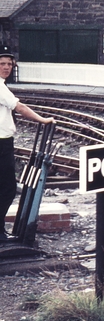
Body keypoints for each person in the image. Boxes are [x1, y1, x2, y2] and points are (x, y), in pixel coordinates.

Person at [0, 46, 56, 238]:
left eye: (9, 64)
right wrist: (43, 120)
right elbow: (19, 107)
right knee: (7, 188)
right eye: (2, 64)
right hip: (1, 143)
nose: (6, 67)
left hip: (4, 142)